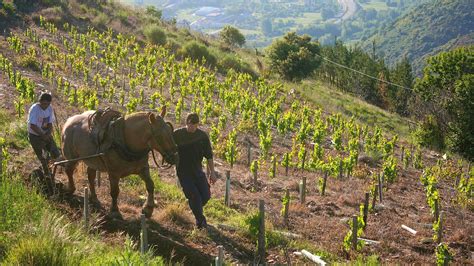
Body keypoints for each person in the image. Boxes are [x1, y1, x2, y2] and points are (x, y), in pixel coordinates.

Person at [173, 113, 218, 229]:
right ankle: (201, 222)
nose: (192, 127)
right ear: (186, 123)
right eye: (190, 124)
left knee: (206, 195)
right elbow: (166, 145)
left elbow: (209, 156)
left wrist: (212, 173)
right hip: (183, 172)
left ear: (198, 125)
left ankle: (194, 207)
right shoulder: (177, 134)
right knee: (194, 196)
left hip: (198, 171)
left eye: (194, 125)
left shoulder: (202, 137)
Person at [27, 92, 61, 177]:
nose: (45, 106)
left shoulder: (49, 108)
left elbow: (50, 123)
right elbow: (33, 125)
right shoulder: (35, 109)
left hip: (46, 134)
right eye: (44, 103)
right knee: (44, 158)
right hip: (35, 136)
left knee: (56, 154)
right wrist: (43, 136)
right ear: (40, 102)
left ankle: (54, 171)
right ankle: (47, 176)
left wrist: (49, 134)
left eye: (47, 103)